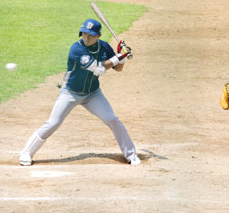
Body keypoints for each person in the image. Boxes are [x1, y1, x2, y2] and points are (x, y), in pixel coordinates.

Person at [19, 19, 141, 166]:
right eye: (84, 33)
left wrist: (122, 57)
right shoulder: (76, 49)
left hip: (93, 94)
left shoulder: (103, 47)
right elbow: (99, 69)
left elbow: (118, 68)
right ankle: (26, 152)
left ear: (98, 35)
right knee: (53, 123)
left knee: (112, 119)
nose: (86, 37)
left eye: (90, 35)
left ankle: (131, 155)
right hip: (71, 93)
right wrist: (118, 57)